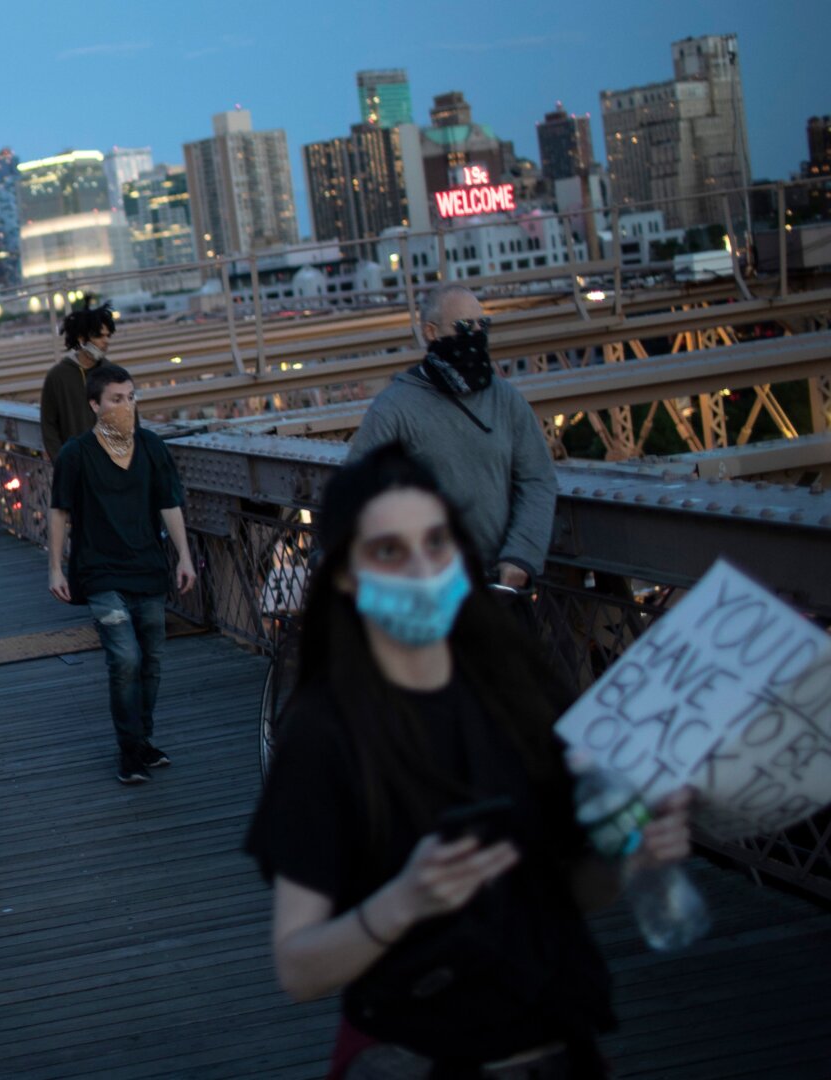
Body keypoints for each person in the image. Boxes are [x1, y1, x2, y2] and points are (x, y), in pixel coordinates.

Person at [245, 443, 694, 1079]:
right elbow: (298, 968)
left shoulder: (519, 690)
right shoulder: (324, 735)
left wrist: (626, 844)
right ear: (347, 576)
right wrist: (405, 900)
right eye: (389, 551)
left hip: (559, 1048)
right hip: (417, 1056)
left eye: (436, 542)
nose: (423, 570)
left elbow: (577, 891)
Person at [347, 283, 557, 591]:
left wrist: (521, 556)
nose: (476, 333)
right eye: (464, 326)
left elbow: (538, 478)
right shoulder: (394, 408)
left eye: (481, 324)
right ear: (431, 332)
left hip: (500, 592)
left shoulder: (506, 399)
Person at [47, 363, 196, 785]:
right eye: (116, 398)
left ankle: (143, 740)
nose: (126, 405)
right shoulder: (76, 454)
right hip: (99, 572)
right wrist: (55, 567)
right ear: (95, 404)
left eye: (131, 397)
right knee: (125, 658)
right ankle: (129, 749)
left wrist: (184, 556)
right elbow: (59, 510)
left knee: (151, 661)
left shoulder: (151, 447)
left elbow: (170, 504)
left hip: (148, 567)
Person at [39, 303, 115, 460]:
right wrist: (63, 463)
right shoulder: (58, 376)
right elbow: (49, 425)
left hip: (114, 468)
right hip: (77, 469)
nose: (106, 341)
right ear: (81, 339)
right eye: (99, 336)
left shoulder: (114, 374)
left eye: (108, 335)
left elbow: (131, 421)